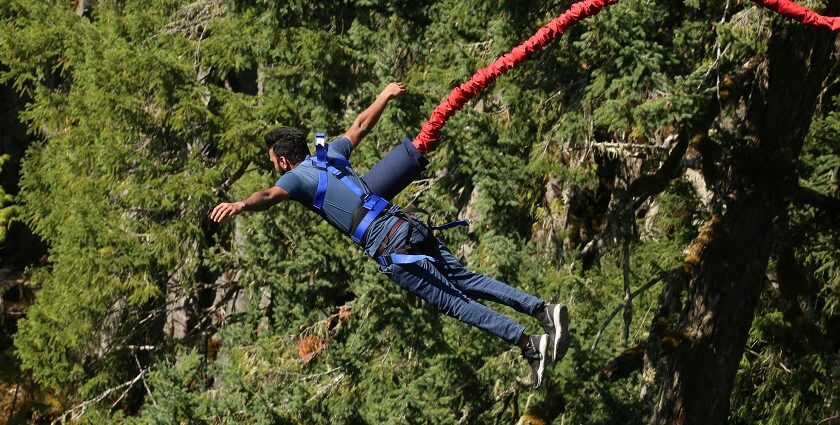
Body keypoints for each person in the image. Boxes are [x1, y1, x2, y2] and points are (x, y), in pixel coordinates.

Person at [210, 82, 569, 388]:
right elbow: (360, 126)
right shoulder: (328, 154)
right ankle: (542, 310)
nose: (275, 169)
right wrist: (383, 95)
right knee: (466, 279)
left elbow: (269, 196)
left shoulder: (294, 178)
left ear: (283, 161)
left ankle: (528, 343)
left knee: (455, 303)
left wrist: (242, 204)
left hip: (388, 244)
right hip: (406, 223)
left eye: (273, 162)